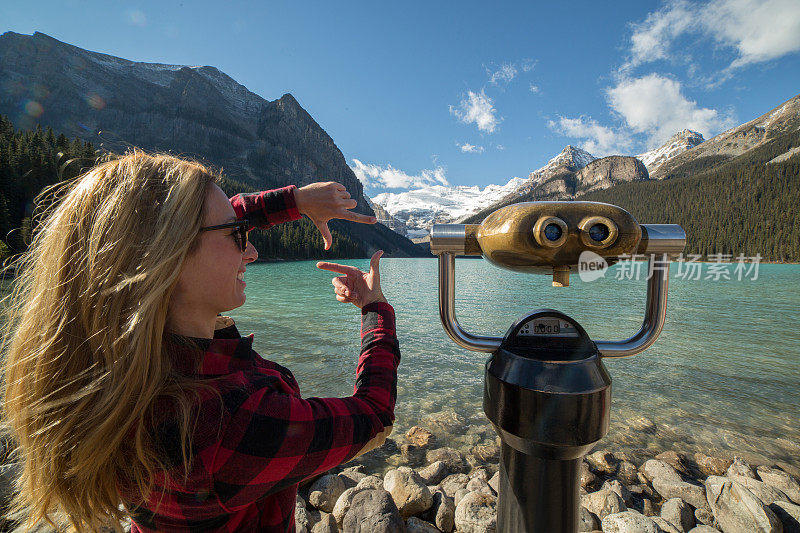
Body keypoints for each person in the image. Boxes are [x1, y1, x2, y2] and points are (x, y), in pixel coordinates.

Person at [1, 151, 400, 532]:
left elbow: (202, 217)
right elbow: (373, 414)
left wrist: (293, 201)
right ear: (167, 255)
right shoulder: (226, 424)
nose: (252, 252)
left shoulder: (120, 363)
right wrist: (374, 310)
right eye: (237, 237)